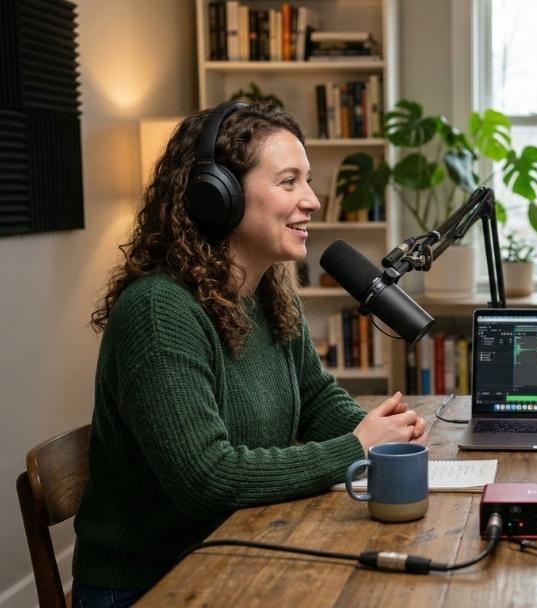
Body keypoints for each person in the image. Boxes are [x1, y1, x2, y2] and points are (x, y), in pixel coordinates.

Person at [72, 102, 427, 607]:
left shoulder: (267, 294)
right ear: (218, 195)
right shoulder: (158, 311)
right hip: (149, 584)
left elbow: (315, 399)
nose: (312, 201)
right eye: (288, 181)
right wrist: (355, 447)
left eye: (307, 181)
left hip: (236, 549)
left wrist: (384, 438)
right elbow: (207, 478)